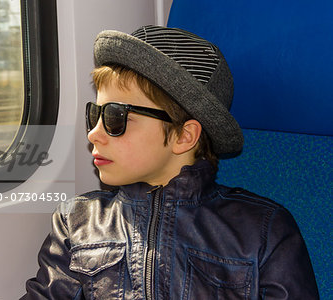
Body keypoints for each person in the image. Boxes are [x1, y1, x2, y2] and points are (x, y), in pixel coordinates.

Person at [21, 25, 319, 299]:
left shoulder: (263, 230)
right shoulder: (78, 222)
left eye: (115, 117)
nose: (94, 133)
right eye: (94, 115)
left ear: (184, 136)